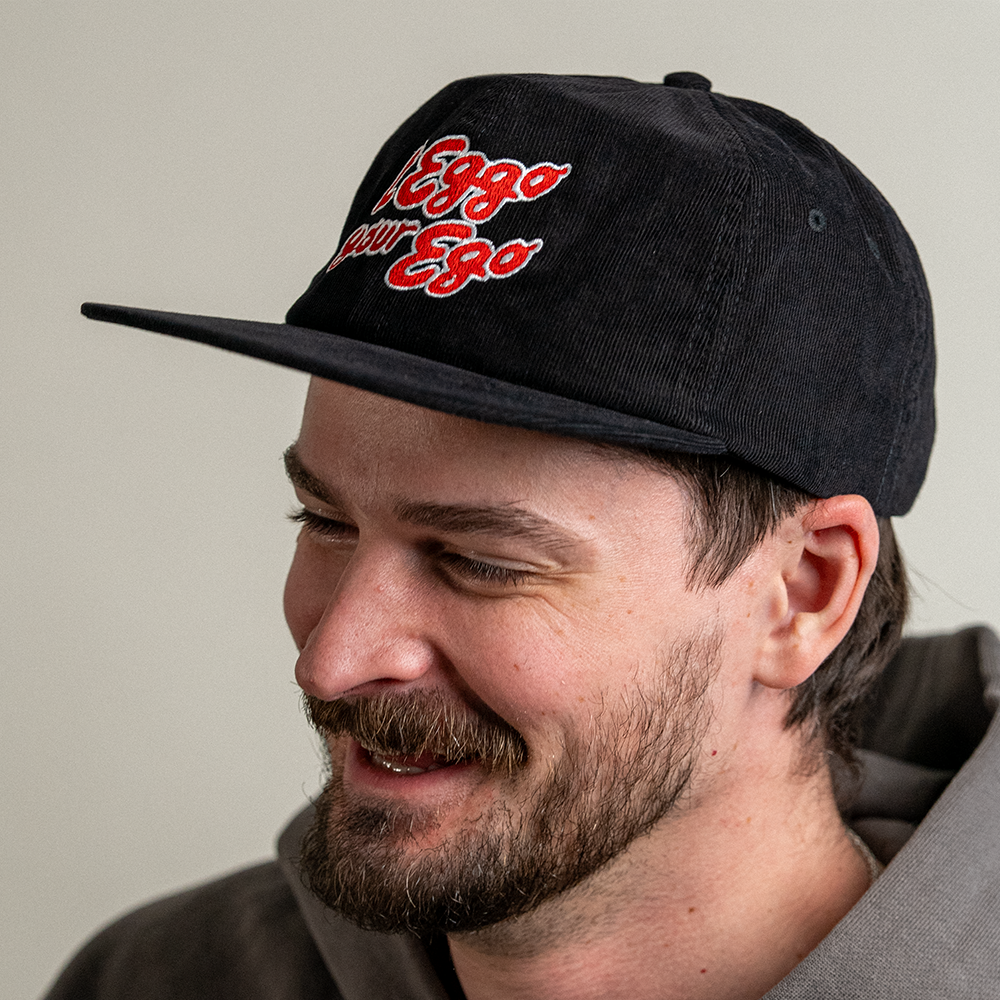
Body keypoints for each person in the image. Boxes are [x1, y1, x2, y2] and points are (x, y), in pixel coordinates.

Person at [46, 72, 1000, 999]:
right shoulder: (153, 978)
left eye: (480, 562)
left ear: (803, 594)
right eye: (325, 521)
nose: (331, 661)